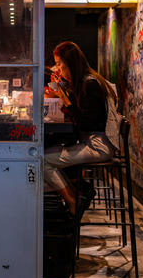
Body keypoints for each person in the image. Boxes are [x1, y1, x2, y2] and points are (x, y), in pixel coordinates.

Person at [44, 41, 118, 220]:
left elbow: (85, 123)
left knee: (41, 161)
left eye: (60, 64)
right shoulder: (87, 81)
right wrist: (65, 93)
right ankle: (78, 195)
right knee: (43, 156)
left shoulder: (90, 84)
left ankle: (72, 201)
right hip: (93, 141)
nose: (58, 69)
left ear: (70, 62)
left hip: (98, 145)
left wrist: (64, 98)